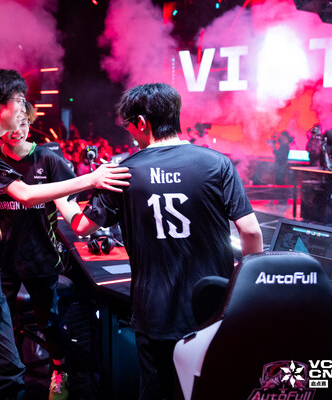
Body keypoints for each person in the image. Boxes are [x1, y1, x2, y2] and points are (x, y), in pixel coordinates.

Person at [0, 69, 130, 400]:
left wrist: (94, 215)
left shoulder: (20, 154)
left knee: (11, 377)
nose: (24, 109)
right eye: (19, 100)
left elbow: (66, 209)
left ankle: (56, 371)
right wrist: (93, 178)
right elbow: (26, 194)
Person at [71, 83, 263, 400]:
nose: (129, 132)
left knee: (157, 391)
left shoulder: (123, 172)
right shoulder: (217, 163)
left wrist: (61, 197)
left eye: (128, 124)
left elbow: (82, 227)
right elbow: (252, 232)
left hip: (154, 310)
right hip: (211, 307)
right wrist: (247, 289)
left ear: (141, 122)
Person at [0, 102, 80, 399]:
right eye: (10, 125)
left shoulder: (48, 159)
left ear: (30, 124)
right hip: (1, 260)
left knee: (50, 322)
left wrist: (82, 221)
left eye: (23, 123)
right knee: (0, 327)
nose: (16, 131)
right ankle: (3, 380)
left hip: (41, 259)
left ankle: (60, 371)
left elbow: (69, 200)